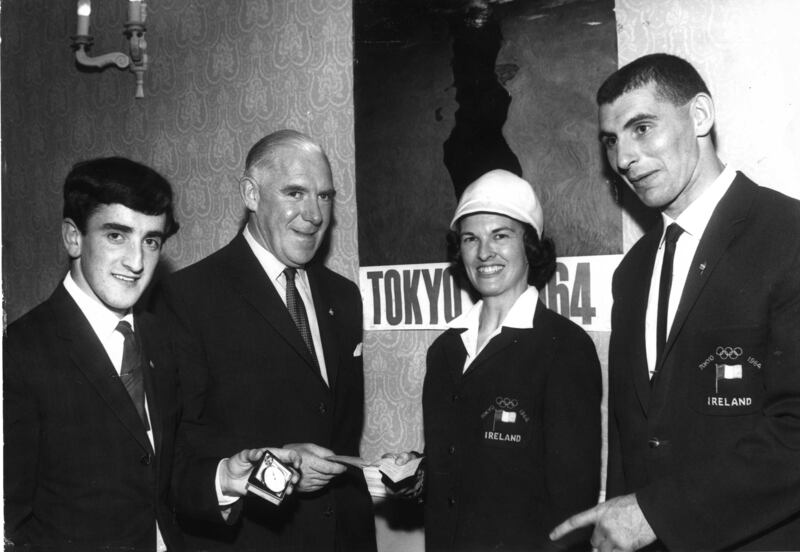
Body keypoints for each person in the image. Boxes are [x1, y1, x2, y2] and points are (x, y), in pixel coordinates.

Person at [550, 53, 800, 551]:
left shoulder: (788, 236)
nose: (623, 158)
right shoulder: (632, 272)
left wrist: (656, 514)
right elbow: (628, 436)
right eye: (611, 140)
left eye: (641, 128)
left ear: (700, 116)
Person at [3, 157, 301, 552]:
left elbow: (160, 472)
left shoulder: (160, 336)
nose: (136, 261)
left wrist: (224, 479)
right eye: (116, 236)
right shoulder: (21, 352)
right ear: (73, 237)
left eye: (151, 240)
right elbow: (11, 520)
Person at [155, 130, 377, 551]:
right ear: (251, 194)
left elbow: (338, 429)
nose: (314, 214)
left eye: (325, 196)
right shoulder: (187, 298)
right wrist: (274, 468)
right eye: (295, 192)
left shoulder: (344, 297)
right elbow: (182, 454)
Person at [389, 169, 602, 551]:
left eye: (500, 235)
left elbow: (572, 503)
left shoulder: (565, 348)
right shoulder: (444, 352)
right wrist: (418, 471)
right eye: (471, 239)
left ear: (530, 246)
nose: (484, 252)